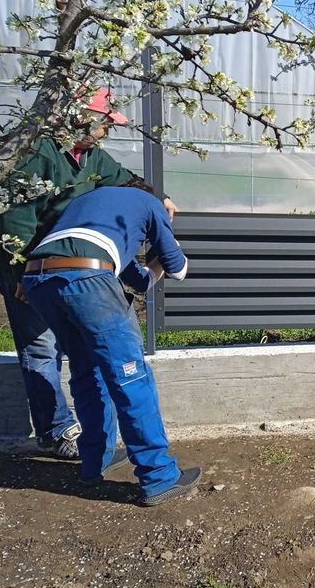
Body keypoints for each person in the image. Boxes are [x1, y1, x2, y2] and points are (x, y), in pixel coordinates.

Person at [0, 87, 178, 458]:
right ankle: (55, 430)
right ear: (76, 115)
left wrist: (158, 197)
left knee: (75, 347)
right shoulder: (33, 153)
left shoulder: (90, 156)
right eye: (103, 123)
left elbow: (123, 179)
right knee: (41, 347)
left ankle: (90, 443)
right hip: (25, 262)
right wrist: (22, 274)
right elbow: (13, 223)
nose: (106, 131)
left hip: (65, 262)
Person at [21, 185, 201, 506]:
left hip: (39, 278)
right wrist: (165, 240)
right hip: (88, 277)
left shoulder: (94, 210)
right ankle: (158, 476)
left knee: (87, 370)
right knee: (131, 377)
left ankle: (94, 462)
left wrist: (150, 263)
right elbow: (179, 269)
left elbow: (141, 280)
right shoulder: (151, 203)